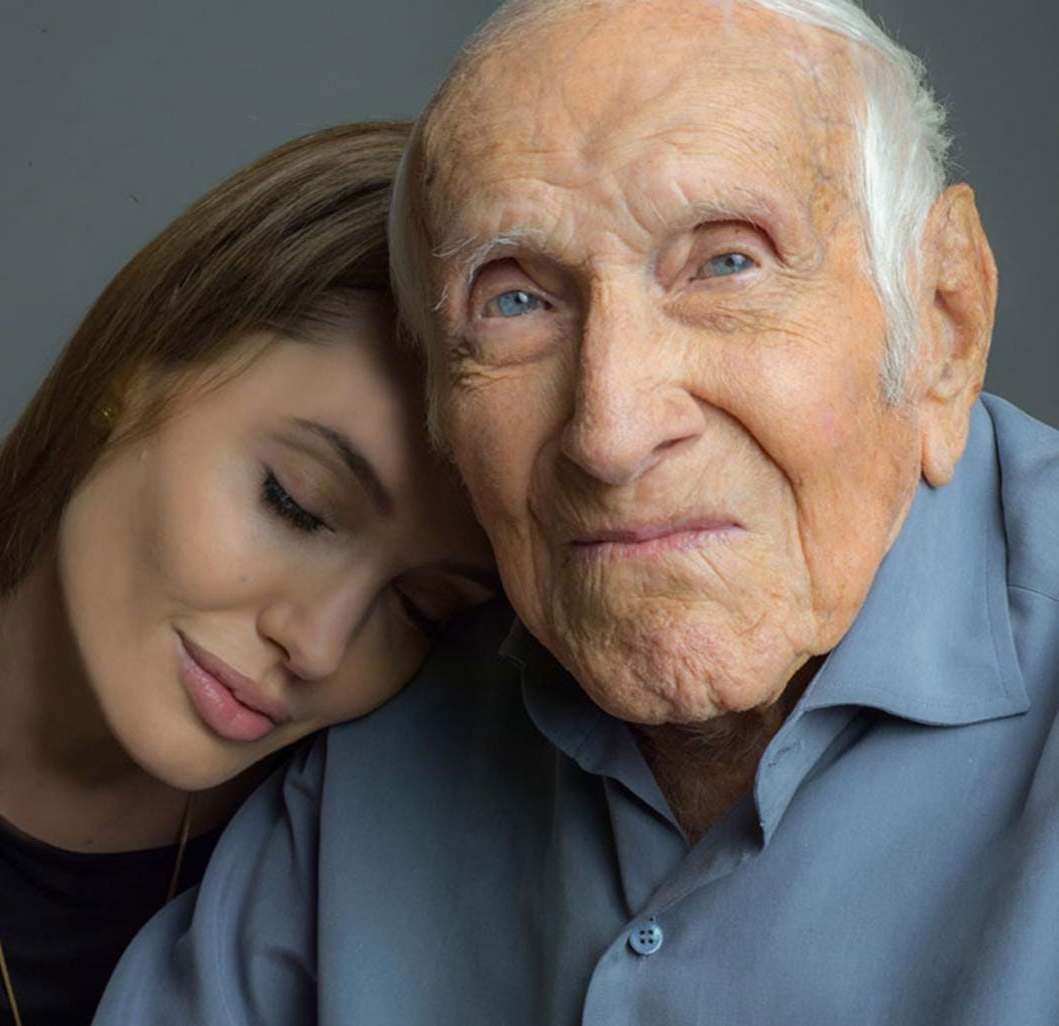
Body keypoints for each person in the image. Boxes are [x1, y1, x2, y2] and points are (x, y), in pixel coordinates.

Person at [94, 1, 1059, 1023]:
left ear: (945, 323)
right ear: (441, 406)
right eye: (515, 301)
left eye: (727, 261)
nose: (611, 431)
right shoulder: (391, 723)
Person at [0, 120, 496, 1025]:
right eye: (295, 503)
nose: (319, 644)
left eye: (419, 608)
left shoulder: (341, 858)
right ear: (138, 365)